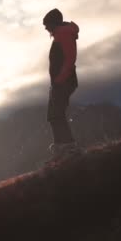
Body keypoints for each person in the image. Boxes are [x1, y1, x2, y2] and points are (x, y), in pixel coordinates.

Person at [43, 8, 81, 156]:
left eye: (47, 25)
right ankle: (62, 147)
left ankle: (68, 147)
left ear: (53, 23)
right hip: (62, 81)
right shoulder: (61, 33)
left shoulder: (63, 34)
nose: (46, 28)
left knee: (56, 114)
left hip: (64, 81)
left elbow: (70, 59)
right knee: (54, 114)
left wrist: (58, 81)